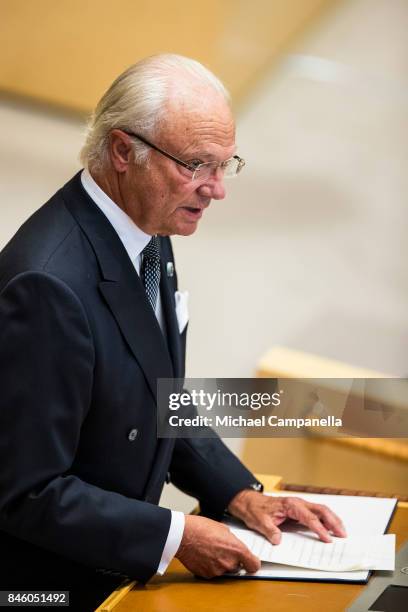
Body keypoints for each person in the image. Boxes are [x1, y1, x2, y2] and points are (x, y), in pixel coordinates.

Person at [0, 54, 345, 608]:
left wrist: (234, 491)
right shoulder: (46, 289)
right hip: (48, 588)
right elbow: (25, 491)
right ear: (122, 152)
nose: (216, 189)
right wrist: (175, 535)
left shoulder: (145, 222)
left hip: (110, 559)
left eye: (224, 165)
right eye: (196, 165)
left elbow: (150, 393)